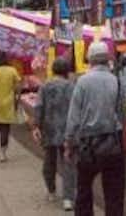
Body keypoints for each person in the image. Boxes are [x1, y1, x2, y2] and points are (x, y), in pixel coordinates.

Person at [65, 41, 125, 216]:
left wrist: (69, 142)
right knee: (114, 193)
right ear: (107, 60)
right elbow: (122, 114)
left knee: (84, 190)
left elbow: (73, 117)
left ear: (90, 60)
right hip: (112, 143)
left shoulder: (82, 82)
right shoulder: (117, 81)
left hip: (87, 144)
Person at [33, 58, 76, 210]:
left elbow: (39, 107)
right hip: (67, 130)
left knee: (49, 161)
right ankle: (68, 198)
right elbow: (75, 109)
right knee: (68, 164)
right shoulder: (71, 86)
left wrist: (36, 126)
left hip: (49, 129)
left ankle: (51, 190)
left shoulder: (45, 86)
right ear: (67, 71)